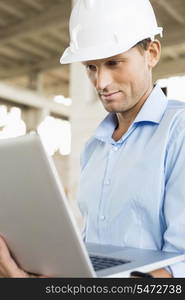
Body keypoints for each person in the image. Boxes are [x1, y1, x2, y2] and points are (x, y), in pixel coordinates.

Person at [0, 0, 185, 278]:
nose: (101, 83)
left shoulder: (178, 131)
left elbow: (179, 267)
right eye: (91, 67)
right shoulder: (95, 147)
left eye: (114, 63)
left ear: (151, 53)